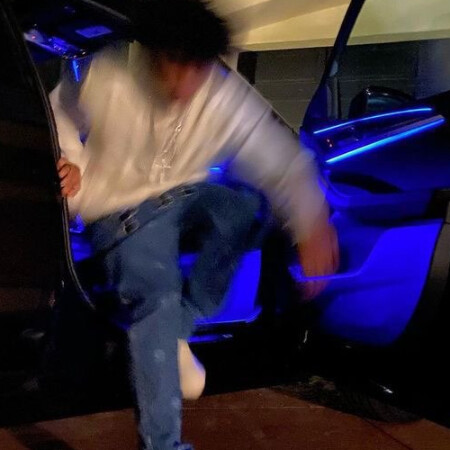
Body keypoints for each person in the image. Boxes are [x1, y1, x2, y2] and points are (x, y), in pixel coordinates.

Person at [52, 1, 339, 449]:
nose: (184, 85)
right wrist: (72, 162)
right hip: (121, 214)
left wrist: (311, 223)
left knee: (248, 209)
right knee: (157, 298)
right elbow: (61, 113)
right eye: (174, 66)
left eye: (197, 71)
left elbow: (280, 160)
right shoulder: (108, 72)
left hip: (186, 198)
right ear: (151, 54)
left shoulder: (220, 94)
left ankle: (178, 327)